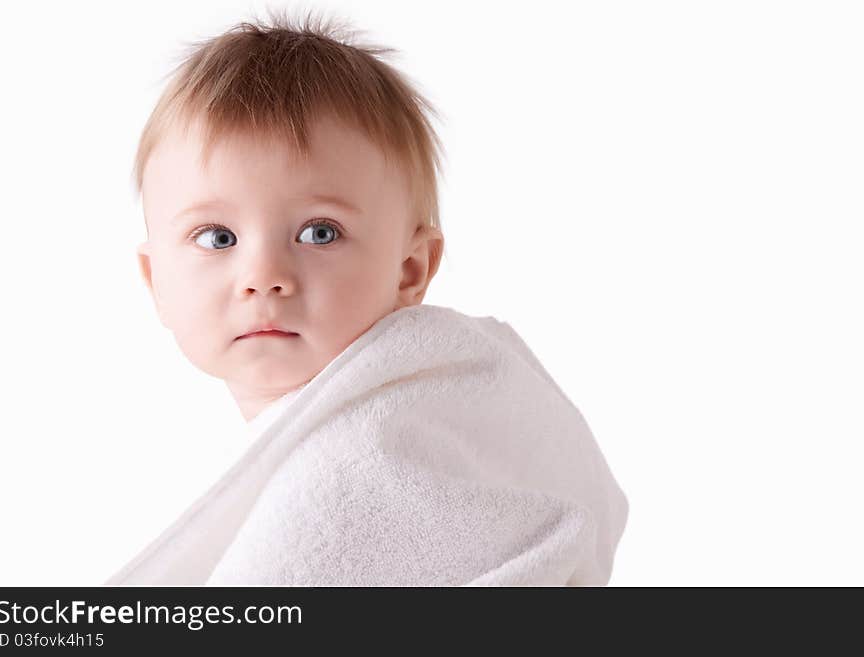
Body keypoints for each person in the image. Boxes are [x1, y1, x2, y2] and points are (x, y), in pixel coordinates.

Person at [112, 8, 628, 586]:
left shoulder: (362, 465)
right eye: (217, 238)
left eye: (319, 232)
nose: (264, 276)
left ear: (409, 269)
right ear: (155, 280)